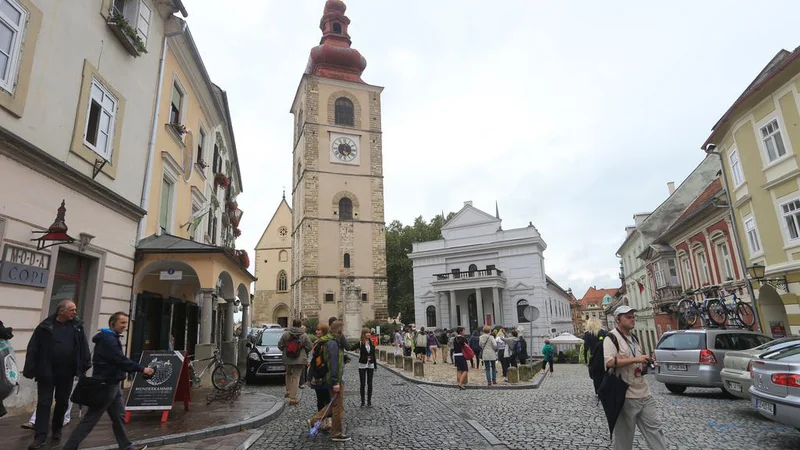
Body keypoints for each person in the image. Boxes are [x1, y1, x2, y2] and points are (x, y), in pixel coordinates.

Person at [62, 312, 153, 450]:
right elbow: (119, 360)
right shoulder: (108, 340)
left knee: (119, 417)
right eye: (122, 323)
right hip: (106, 384)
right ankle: (69, 447)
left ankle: (126, 446)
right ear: (112, 323)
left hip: (113, 384)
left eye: (125, 323)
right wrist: (142, 369)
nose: (124, 326)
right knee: (91, 419)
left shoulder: (110, 337)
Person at [23, 300, 91, 450]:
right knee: (44, 403)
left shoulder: (77, 327)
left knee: (62, 401)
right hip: (46, 371)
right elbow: (33, 347)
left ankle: (57, 429)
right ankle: (40, 435)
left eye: (75, 309)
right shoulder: (45, 327)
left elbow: (83, 347)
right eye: (71, 310)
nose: (75, 312)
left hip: (66, 372)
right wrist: (30, 368)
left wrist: (85, 364)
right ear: (61, 311)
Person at [604, 306, 668, 450]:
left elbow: (636, 361)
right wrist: (635, 359)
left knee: (655, 430)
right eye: (628, 317)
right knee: (624, 438)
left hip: (644, 392)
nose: (632, 319)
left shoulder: (633, 337)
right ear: (618, 319)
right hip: (625, 395)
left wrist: (646, 364)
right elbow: (608, 362)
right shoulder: (611, 338)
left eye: (633, 317)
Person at [307, 321, 351, 442]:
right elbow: (333, 364)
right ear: (340, 331)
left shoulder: (335, 340)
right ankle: (336, 433)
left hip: (336, 378)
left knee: (334, 405)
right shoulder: (332, 343)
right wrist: (335, 381)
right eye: (343, 330)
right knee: (337, 407)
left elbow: (348, 347)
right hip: (335, 379)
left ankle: (314, 421)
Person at [278, 319, 313, 406]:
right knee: (296, 377)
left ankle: (288, 391)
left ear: (292, 324)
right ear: (300, 325)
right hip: (299, 359)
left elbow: (280, 345)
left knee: (288, 373)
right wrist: (304, 351)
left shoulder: (286, 334)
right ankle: (293, 397)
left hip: (287, 357)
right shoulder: (304, 335)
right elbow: (310, 346)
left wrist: (285, 349)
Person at [357, 327, 377, 407]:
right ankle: (362, 402)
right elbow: (350, 348)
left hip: (370, 364)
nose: (368, 334)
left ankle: (369, 401)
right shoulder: (360, 343)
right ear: (363, 334)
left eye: (369, 332)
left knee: (370, 383)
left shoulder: (371, 342)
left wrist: (375, 365)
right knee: (362, 383)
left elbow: (373, 354)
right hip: (362, 364)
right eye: (367, 333)